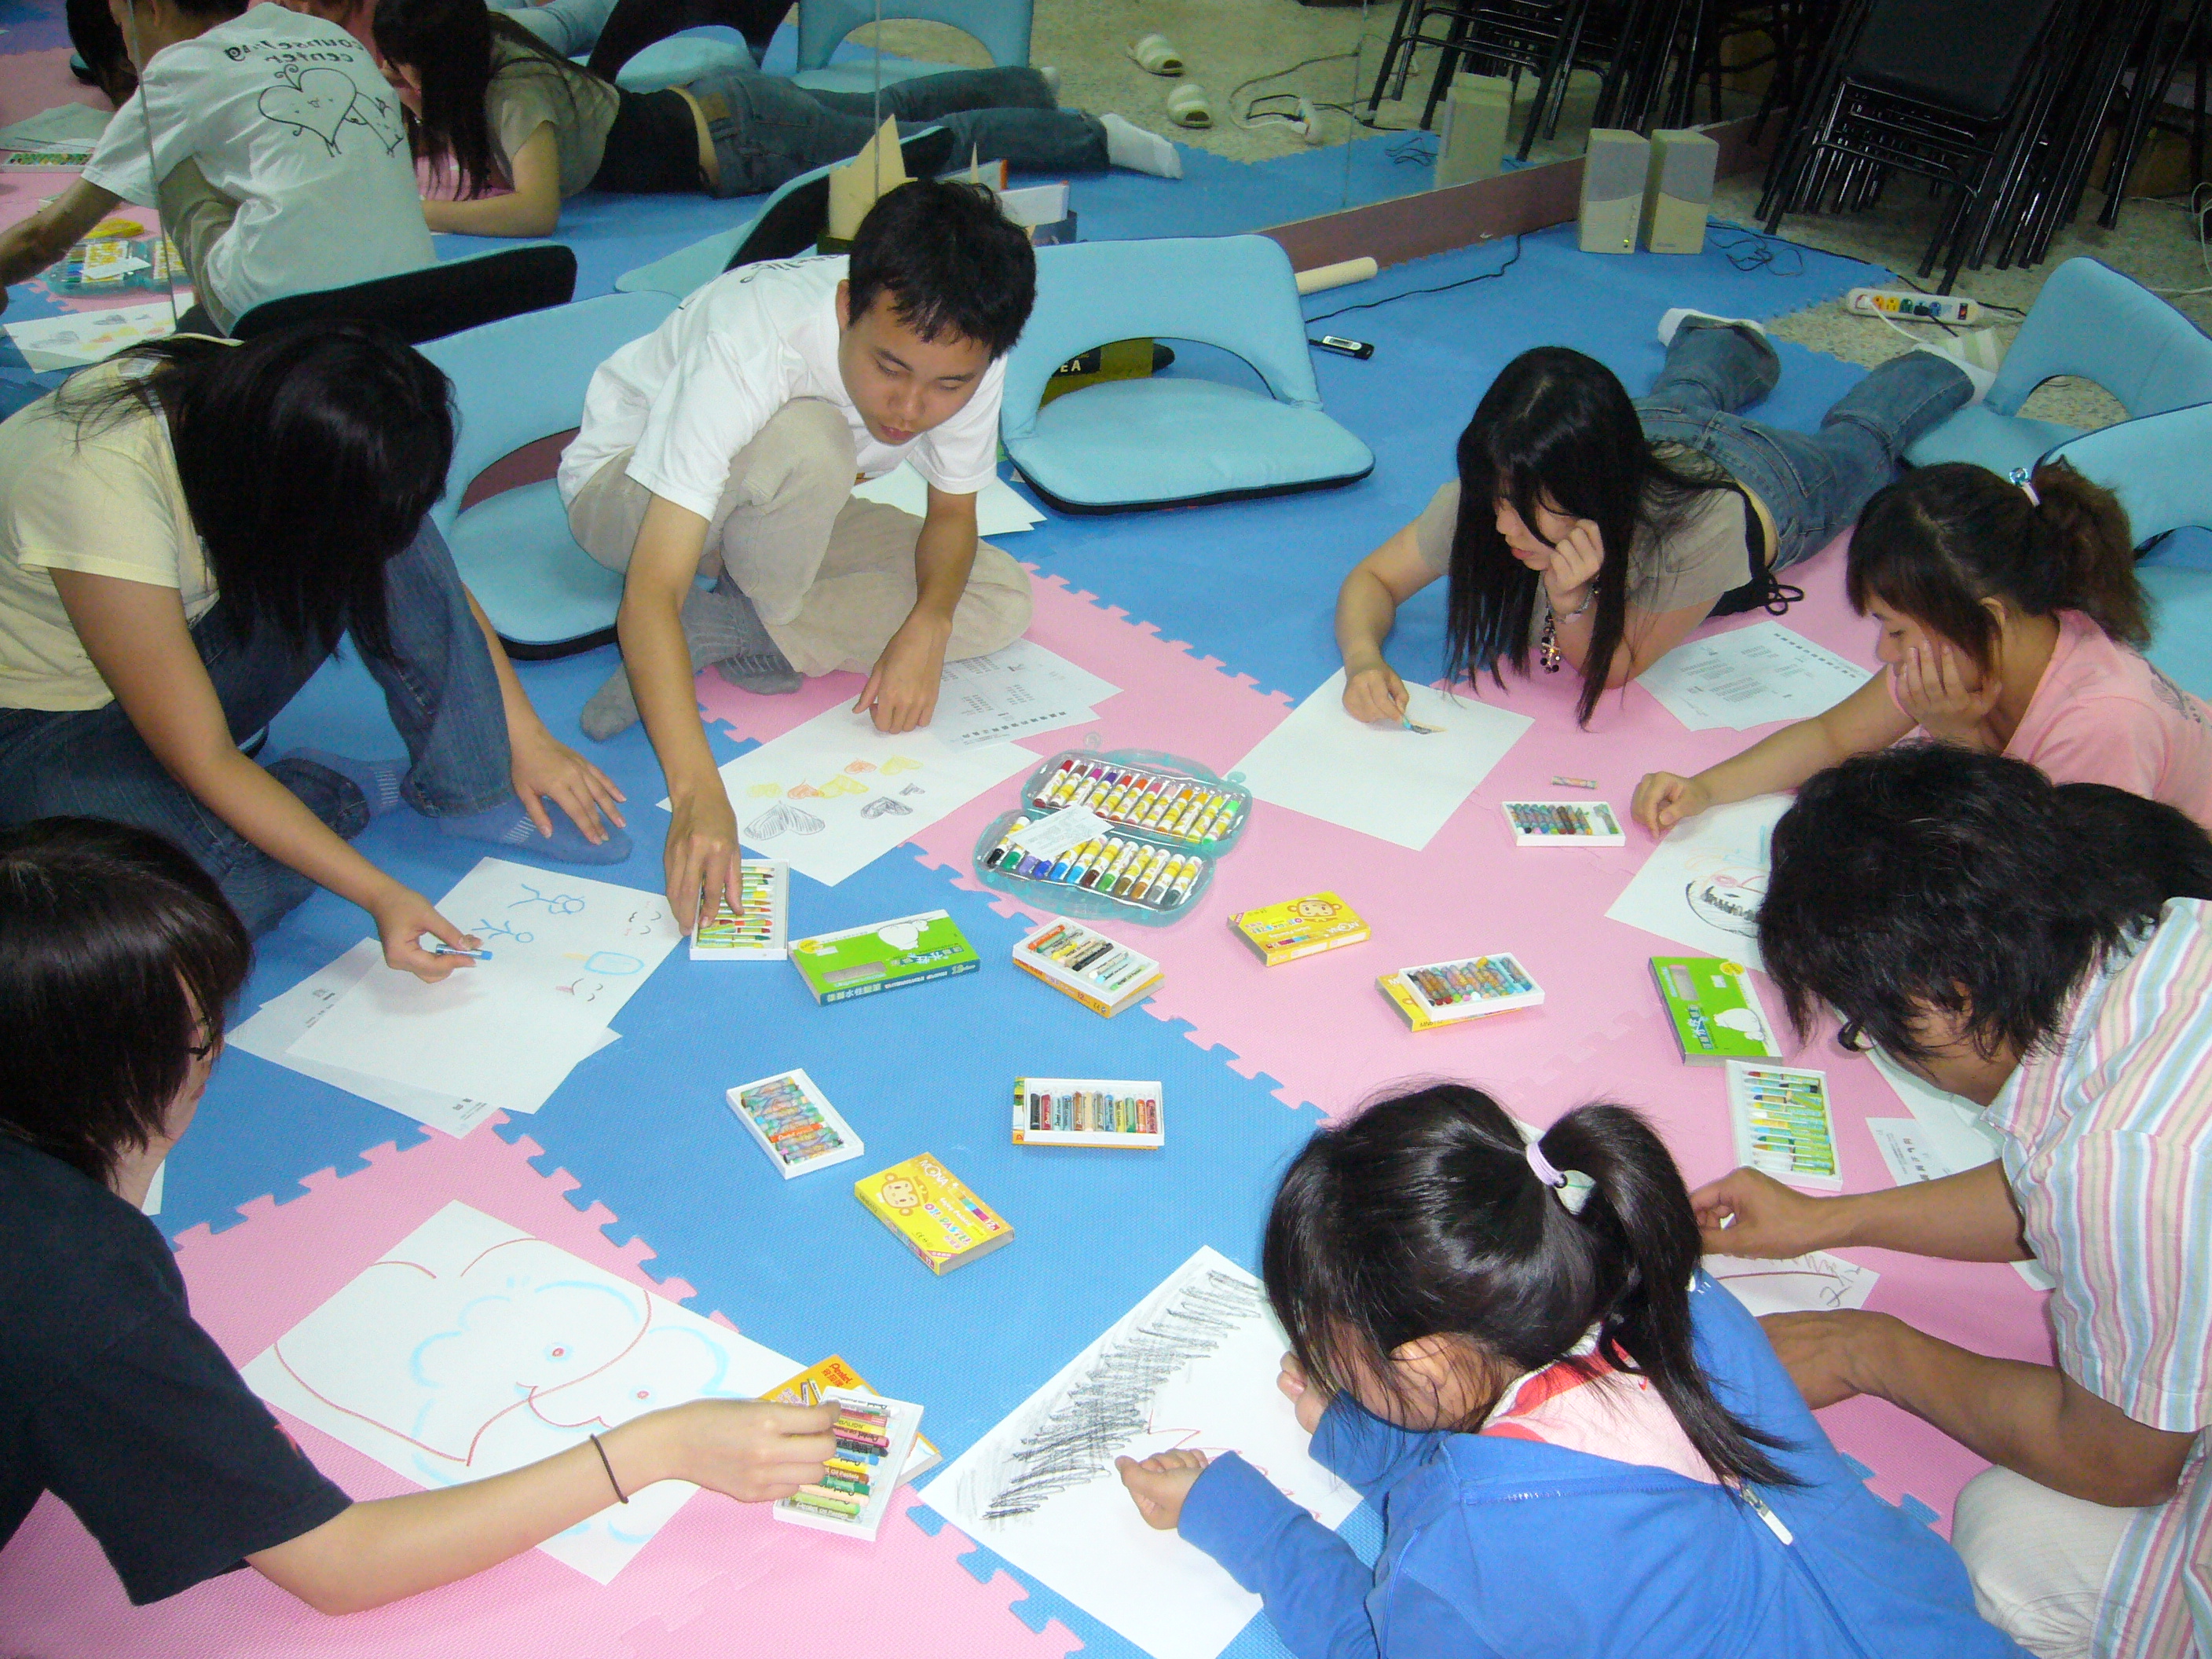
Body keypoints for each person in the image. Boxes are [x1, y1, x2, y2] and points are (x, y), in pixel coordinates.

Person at [0, 816, 840, 1611]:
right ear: (95, 1073)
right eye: (198, 1036)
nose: (214, 1052)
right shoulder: (81, 1280)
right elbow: (336, 1564)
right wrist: (661, 1446)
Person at [1114, 1083, 2026, 1657]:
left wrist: (1243, 1522)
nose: (1320, 1355)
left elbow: (1377, 1640)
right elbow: (1547, 1448)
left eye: (1330, 1343)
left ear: (1425, 1363)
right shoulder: (1680, 1304)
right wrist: (1367, 1427)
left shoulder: (1465, 1538)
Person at [1705, 744, 2212, 1659]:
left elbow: (2121, 1463)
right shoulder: (2164, 935)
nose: (1872, 1042)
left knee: (2010, 1543)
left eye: (1866, 1025)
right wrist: (1829, 1218)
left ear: (1946, 999)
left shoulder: (2121, 1161)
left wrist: (1867, 1348)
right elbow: (2046, 1186)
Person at [0, 324, 629, 981]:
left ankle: (472, 786)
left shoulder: (269, 398)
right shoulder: (95, 487)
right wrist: (379, 893)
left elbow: (402, 545)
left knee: (375, 500)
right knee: (189, 913)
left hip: (186, 644)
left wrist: (523, 738)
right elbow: (203, 756)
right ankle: (328, 790)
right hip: (52, 727)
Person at [560, 178, 1035, 928]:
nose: (911, 409)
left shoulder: (970, 339)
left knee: (998, 592)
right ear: (846, 308)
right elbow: (650, 590)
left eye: (949, 386)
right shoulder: (752, 339)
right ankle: (745, 618)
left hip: (786, 506)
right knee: (813, 438)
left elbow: (953, 515)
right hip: (631, 499)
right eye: (889, 369)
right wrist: (699, 795)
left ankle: (730, 627)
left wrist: (930, 623)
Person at [1336, 315, 1979, 727]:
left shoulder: (1697, 528)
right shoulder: (1505, 490)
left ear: (1590, 491)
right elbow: (1373, 580)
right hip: (1657, 434)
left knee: (1861, 441)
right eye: (1497, 499)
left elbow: (1613, 667)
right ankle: (1725, 337)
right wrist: (1364, 661)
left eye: (1526, 509)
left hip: (1766, 482)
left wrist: (1572, 601)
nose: (1504, 525)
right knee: (1684, 397)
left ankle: (1939, 365)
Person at [1633, 461, 2212, 836]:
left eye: (1897, 630)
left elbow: (2045, 881)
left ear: (1987, 618)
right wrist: (1705, 789)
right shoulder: (1963, 645)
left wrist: (1957, 741)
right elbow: (1832, 736)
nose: (1887, 652)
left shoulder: (2103, 721)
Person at [371, 0, 1179, 239]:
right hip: (731, 111)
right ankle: (1028, 85)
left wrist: (419, 212)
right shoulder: (490, 53)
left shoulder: (514, 96)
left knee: (922, 148)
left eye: (403, 77)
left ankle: (1093, 135)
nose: (397, 89)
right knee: (889, 110)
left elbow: (534, 211)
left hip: (744, 137)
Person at [0, 0, 434, 335]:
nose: (128, 51)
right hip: (416, 304)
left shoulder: (179, 69)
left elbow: (44, 239)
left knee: (168, 151)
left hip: (282, 322)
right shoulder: (328, 34)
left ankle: (221, 331)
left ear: (153, 9)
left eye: (121, 24)